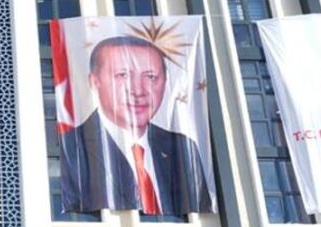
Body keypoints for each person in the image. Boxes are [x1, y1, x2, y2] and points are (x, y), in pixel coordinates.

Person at [59, 35, 213, 215]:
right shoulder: (71, 148)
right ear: (95, 82)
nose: (138, 91)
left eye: (150, 77)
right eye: (122, 75)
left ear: (165, 82)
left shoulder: (182, 148)